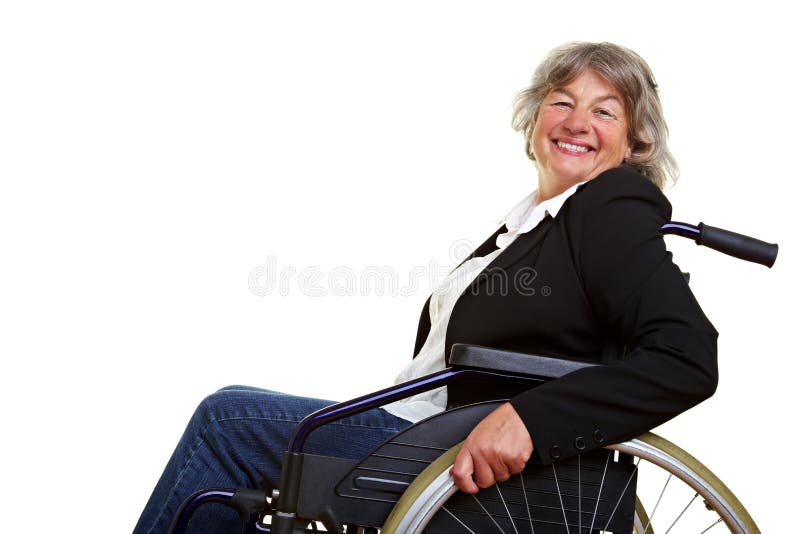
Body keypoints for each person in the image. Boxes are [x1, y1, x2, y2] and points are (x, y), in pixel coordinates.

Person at [134, 41, 717, 533]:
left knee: (227, 423)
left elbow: (686, 359)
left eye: (605, 112)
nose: (576, 123)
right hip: (425, 434)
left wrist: (532, 421)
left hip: (451, 454)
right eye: (561, 102)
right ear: (534, 120)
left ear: (635, 143)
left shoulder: (611, 206)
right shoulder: (529, 227)